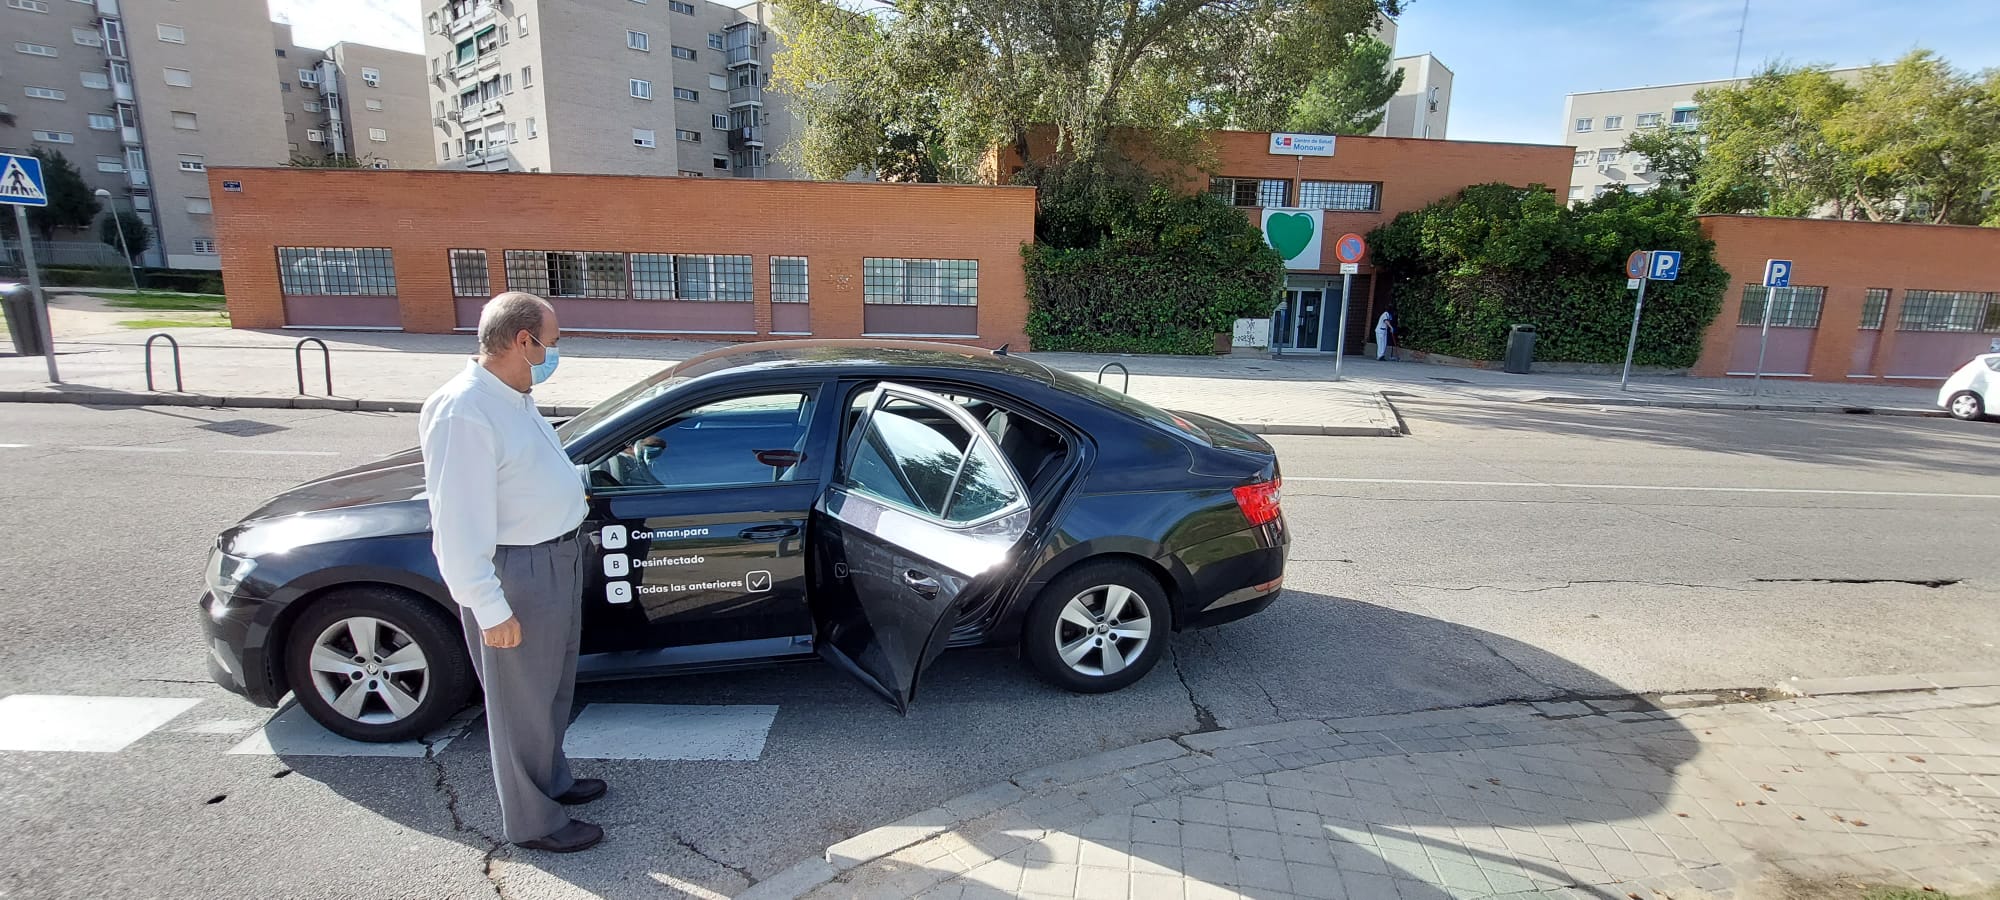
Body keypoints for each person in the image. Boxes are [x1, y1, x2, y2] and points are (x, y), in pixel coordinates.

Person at [418, 291, 605, 853]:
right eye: (552, 343)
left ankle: (553, 783)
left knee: (550, 690)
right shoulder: (464, 410)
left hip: (555, 557)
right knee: (519, 703)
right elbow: (455, 523)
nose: (555, 353)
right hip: (518, 571)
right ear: (523, 342)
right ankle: (535, 823)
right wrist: (488, 605)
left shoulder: (512, 396)